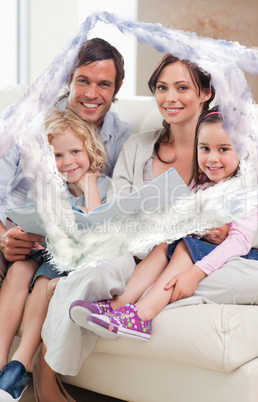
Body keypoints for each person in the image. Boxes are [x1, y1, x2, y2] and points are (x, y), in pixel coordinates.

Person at [0, 38, 132, 401]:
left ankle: (23, 365)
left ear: (117, 88)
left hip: (69, 251)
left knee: (40, 275)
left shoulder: (120, 141)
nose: (91, 92)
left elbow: (106, 212)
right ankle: (4, 371)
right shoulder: (29, 119)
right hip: (20, 235)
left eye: (103, 83)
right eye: (83, 81)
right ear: (68, 80)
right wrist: (6, 234)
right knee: (19, 269)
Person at [78, 107, 258, 341]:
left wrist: (196, 273)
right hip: (200, 249)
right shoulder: (202, 184)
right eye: (204, 148)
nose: (212, 158)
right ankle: (117, 305)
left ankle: (142, 315)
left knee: (185, 245)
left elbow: (240, 242)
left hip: (242, 256)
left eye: (223, 149)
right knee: (165, 243)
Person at [0, 107, 112, 401]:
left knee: (42, 282)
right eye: (56, 156)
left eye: (75, 151)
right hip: (46, 251)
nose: (67, 162)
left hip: (71, 261)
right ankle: (1, 365)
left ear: (90, 149)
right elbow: (38, 225)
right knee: (17, 271)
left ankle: (20, 365)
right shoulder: (45, 188)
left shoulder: (102, 185)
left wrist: (88, 185)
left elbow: (96, 224)